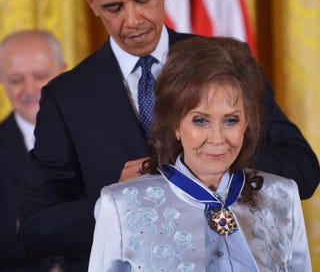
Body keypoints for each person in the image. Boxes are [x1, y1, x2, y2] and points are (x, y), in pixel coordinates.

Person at [18, 0, 319, 271]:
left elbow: (303, 170)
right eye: (113, 7)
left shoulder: (224, 63)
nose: (131, 20)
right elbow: (33, 228)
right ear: (90, 2)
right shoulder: (65, 97)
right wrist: (115, 202)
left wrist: (212, 161)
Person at [88, 36, 312, 271]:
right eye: (201, 120)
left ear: (247, 123)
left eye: (231, 120)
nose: (216, 138)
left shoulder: (282, 196)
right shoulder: (121, 205)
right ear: (175, 124)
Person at [0, 30, 66, 271]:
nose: (30, 89)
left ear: (63, 71)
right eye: (16, 80)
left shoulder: (99, 132)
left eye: (40, 76)